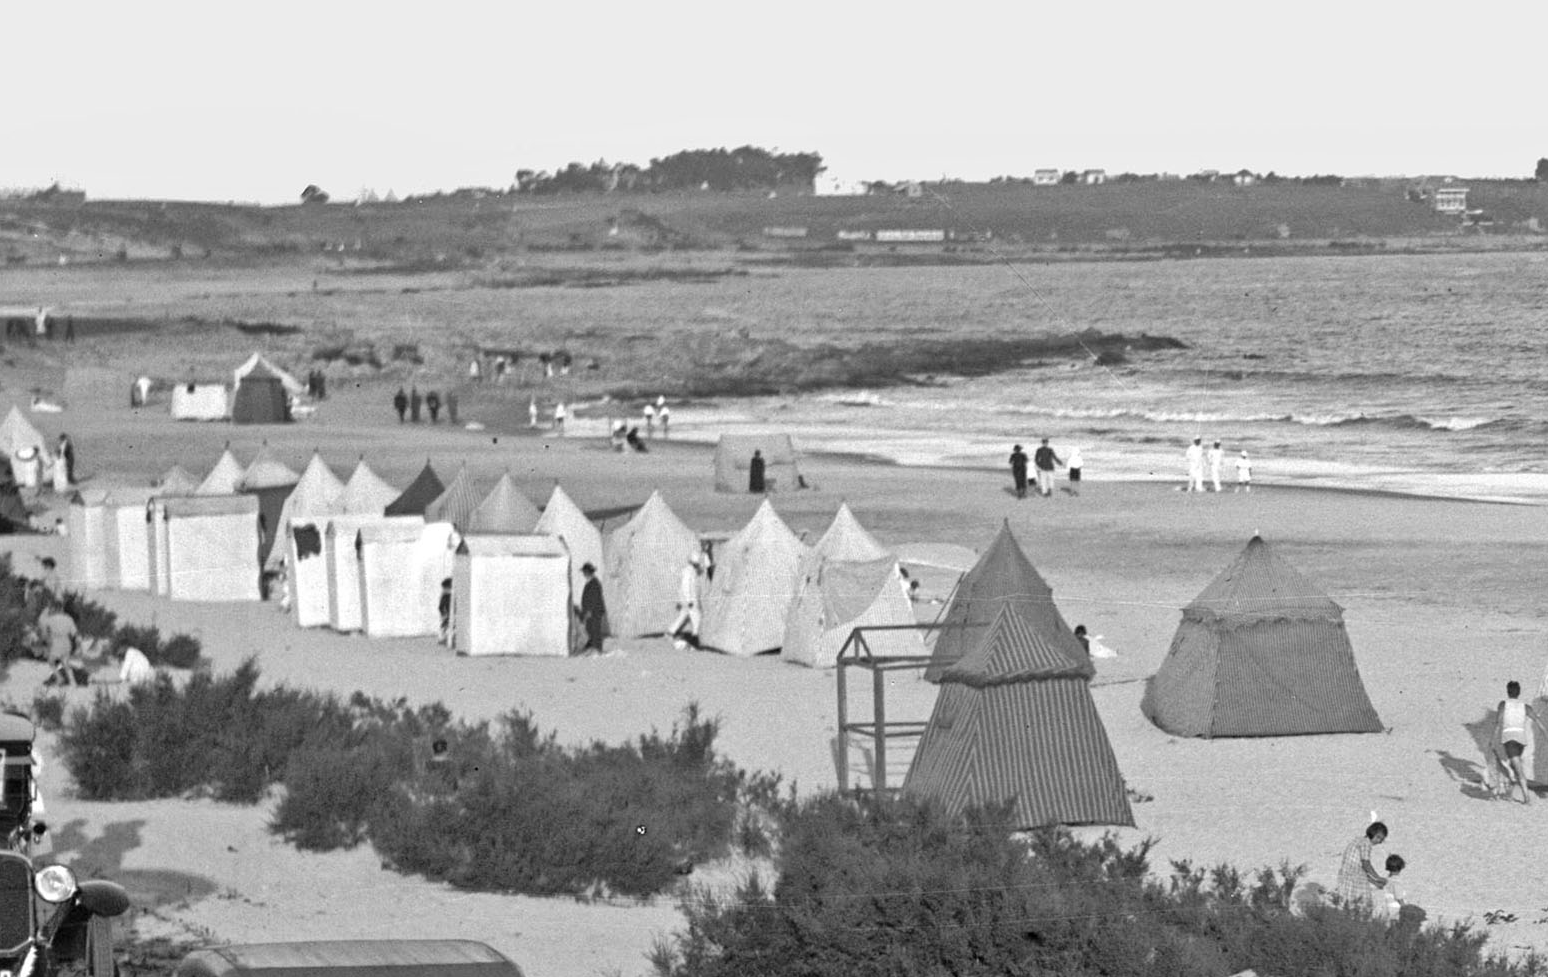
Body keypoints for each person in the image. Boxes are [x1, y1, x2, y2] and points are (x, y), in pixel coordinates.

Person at [1492, 681, 1545, 804]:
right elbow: (1538, 722)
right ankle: (1510, 793)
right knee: (1512, 766)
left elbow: (1497, 722)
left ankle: (1526, 798)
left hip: (1509, 740)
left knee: (1516, 768)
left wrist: (1492, 739)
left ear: (1507, 691)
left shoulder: (1503, 705)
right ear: (1519, 692)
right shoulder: (1525, 707)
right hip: (1521, 742)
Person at [1334, 821, 1388, 908]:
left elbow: (1361, 870)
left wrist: (1375, 882)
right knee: (1363, 905)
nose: (1379, 841)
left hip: (1348, 876)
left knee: (1348, 904)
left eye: (1381, 840)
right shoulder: (1366, 843)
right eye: (1378, 837)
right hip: (1353, 878)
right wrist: (1377, 877)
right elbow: (1366, 863)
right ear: (1372, 832)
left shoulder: (1358, 840)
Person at [669, 555, 703, 650]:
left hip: (689, 600)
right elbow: (686, 586)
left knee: (684, 616)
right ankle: (694, 640)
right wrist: (689, 601)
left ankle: (671, 632)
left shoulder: (691, 571)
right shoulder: (689, 572)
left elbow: (701, 571)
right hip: (690, 600)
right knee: (696, 617)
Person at [576, 562, 608, 654]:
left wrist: (590, 611)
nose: (584, 574)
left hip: (595, 611)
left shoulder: (594, 583)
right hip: (591, 611)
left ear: (589, 572)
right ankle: (593, 647)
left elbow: (594, 598)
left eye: (585, 572)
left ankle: (597, 649)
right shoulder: (590, 582)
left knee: (595, 629)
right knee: (590, 628)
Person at [1378, 855, 1407, 919]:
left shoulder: (1388, 879)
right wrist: (1405, 908)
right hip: (1396, 908)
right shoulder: (1396, 882)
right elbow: (1399, 898)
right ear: (1400, 868)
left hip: (1387, 906)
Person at [438, 578, 454, 647]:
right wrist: (443, 614)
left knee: (449, 625)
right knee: (445, 625)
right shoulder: (444, 595)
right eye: (444, 588)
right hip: (448, 613)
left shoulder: (453, 595)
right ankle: (443, 638)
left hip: (453, 613)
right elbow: (441, 606)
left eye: (445, 588)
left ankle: (448, 638)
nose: (444, 590)